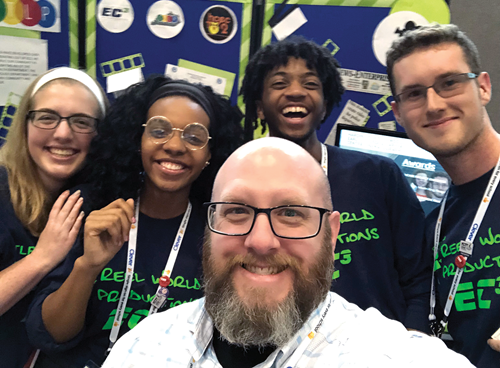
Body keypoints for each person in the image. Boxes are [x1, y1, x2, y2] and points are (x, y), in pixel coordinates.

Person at [102, 137, 474, 367]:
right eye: (236, 211)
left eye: (291, 214)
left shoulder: (390, 356)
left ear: (331, 233)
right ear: (209, 226)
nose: (261, 241)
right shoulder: (139, 349)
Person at [25, 76, 244, 368]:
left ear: (209, 154)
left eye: (194, 137)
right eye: (159, 130)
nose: (175, 146)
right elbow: (50, 335)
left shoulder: (218, 232)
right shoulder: (89, 208)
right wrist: (87, 267)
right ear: (137, 141)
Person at [240, 37, 431, 332]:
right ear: (259, 107)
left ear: (326, 104)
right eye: (279, 84)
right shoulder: (240, 184)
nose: (295, 92)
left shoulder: (378, 175)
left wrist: (413, 342)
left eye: (310, 84)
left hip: (378, 352)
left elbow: (419, 276)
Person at [387, 23, 500, 367]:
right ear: (398, 114)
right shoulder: (433, 224)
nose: (434, 105)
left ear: (482, 87)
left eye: (449, 83)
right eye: (414, 93)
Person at [0, 67, 107, 368]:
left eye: (81, 122)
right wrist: (42, 258)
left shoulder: (100, 205)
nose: (63, 133)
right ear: (25, 125)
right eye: (47, 117)